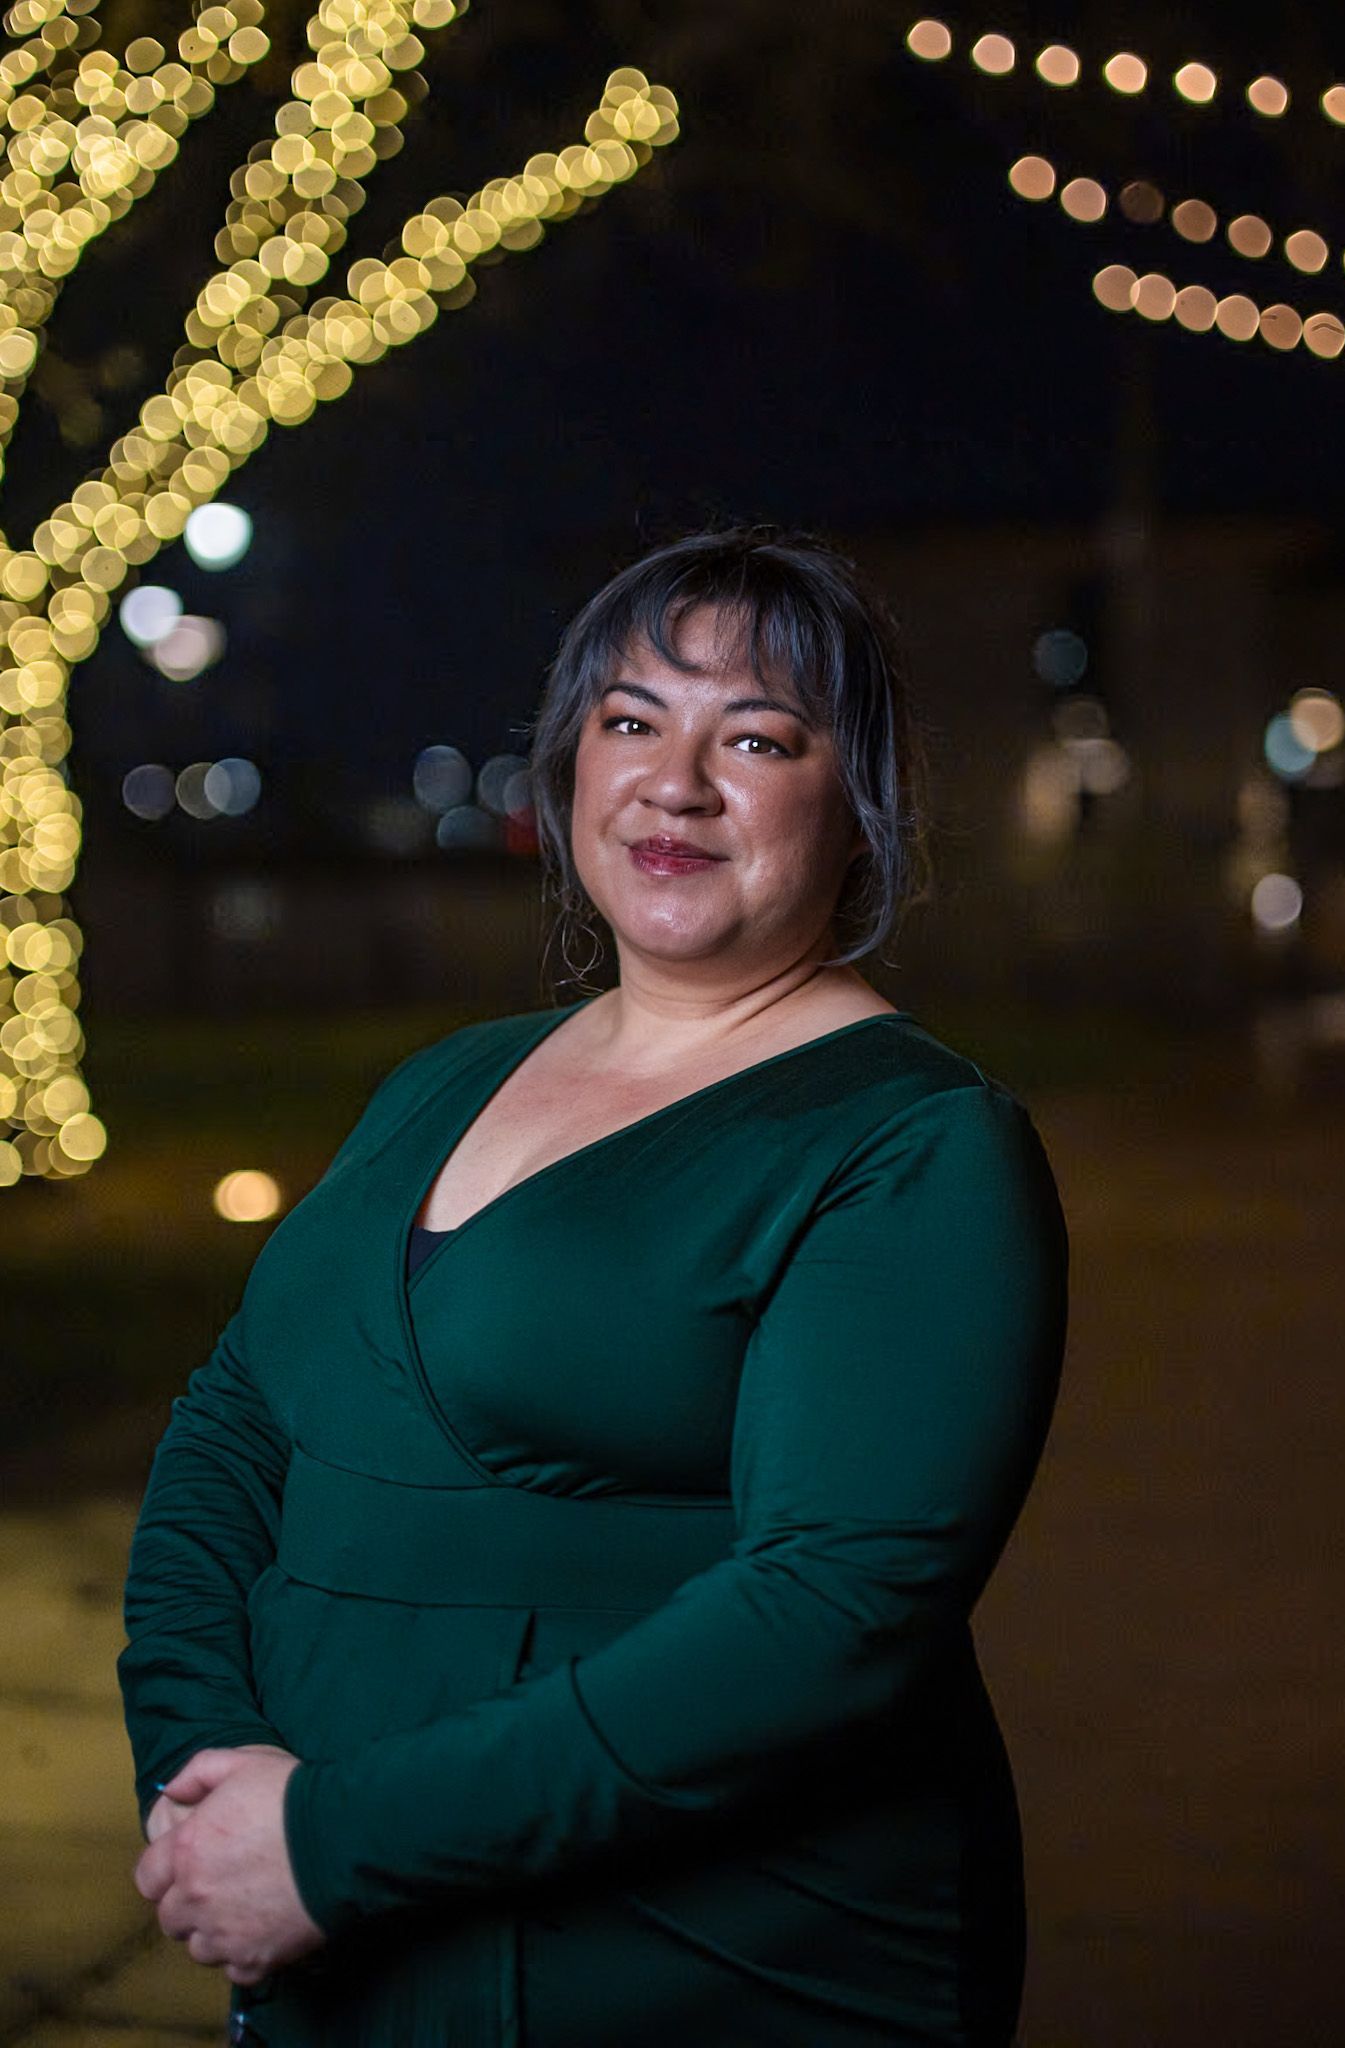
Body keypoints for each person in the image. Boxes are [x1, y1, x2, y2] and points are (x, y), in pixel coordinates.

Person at [121, 524, 1069, 2047]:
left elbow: (829, 1613)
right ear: (569, 763)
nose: (673, 784)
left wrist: (334, 1841)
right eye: (632, 721)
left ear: (861, 805)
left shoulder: (916, 1146)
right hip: (325, 1946)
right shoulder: (444, 1079)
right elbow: (233, 1428)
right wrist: (199, 1769)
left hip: (695, 1960)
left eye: (754, 738)